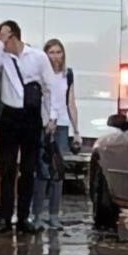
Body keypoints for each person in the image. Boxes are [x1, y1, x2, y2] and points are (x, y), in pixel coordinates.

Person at [0, 20, 54, 234]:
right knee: (7, 167)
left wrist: (51, 117)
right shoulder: (1, 55)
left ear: (13, 35)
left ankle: (23, 217)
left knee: (28, 169)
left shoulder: (38, 57)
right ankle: (5, 216)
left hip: (31, 116)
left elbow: (49, 87)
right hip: (10, 115)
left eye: (2, 35)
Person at [32, 39, 82, 230]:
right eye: (51, 52)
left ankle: (54, 215)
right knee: (42, 172)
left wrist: (76, 130)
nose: (55, 56)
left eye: (58, 52)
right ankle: (36, 214)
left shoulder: (67, 75)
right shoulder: (41, 75)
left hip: (62, 126)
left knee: (57, 172)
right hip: (44, 125)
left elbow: (70, 102)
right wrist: (46, 121)